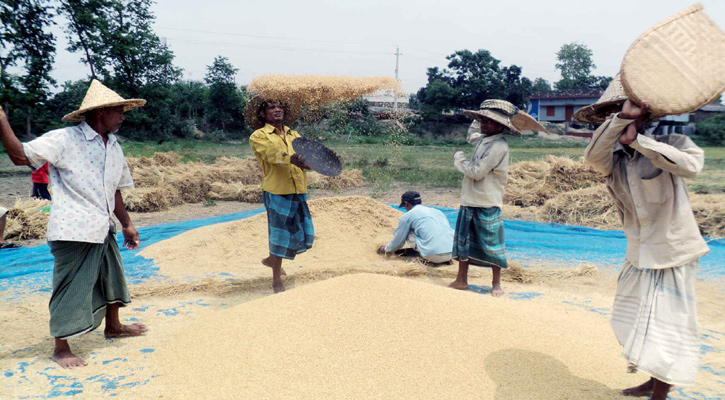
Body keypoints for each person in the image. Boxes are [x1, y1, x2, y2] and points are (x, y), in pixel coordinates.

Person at [0, 79, 148, 369]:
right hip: (74, 228)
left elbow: (115, 189)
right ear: (99, 112)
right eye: (118, 110)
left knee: (111, 276)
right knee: (70, 287)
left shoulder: (114, 146)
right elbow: (20, 156)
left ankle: (113, 326)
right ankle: (61, 348)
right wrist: (2, 121)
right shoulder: (64, 139)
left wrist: (127, 223)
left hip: (103, 226)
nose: (123, 116)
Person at [581, 83, 708, 399]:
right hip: (639, 252)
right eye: (617, 113)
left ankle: (660, 392)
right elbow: (592, 157)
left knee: (665, 325)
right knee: (633, 317)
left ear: (648, 115)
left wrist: (639, 140)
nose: (626, 118)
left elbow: (692, 166)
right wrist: (623, 122)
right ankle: (653, 380)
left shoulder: (671, 144)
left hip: (673, 252)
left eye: (635, 112)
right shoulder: (614, 159)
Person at [448, 99, 525, 297]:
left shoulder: (498, 146)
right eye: (483, 121)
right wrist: (482, 114)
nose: (484, 124)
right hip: (470, 199)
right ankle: (461, 279)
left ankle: (496, 284)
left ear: (500, 126)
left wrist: (459, 159)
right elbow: (472, 134)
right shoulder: (483, 138)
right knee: (463, 242)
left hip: (487, 201)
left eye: (489, 122)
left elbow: (476, 172)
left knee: (492, 244)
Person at [247, 97, 314, 293]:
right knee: (279, 236)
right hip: (277, 190)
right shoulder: (259, 136)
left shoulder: (294, 134)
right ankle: (276, 281)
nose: (277, 110)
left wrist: (323, 159)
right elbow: (270, 155)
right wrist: (291, 159)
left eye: (279, 107)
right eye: (271, 107)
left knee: (299, 234)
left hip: (298, 189)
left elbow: (306, 156)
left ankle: (271, 260)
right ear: (262, 114)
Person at [377, 191, 454, 265]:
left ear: (406, 204)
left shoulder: (409, 215)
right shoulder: (437, 212)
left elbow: (398, 240)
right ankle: (443, 258)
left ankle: (427, 259)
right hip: (451, 253)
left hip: (432, 255)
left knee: (408, 231)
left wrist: (386, 249)